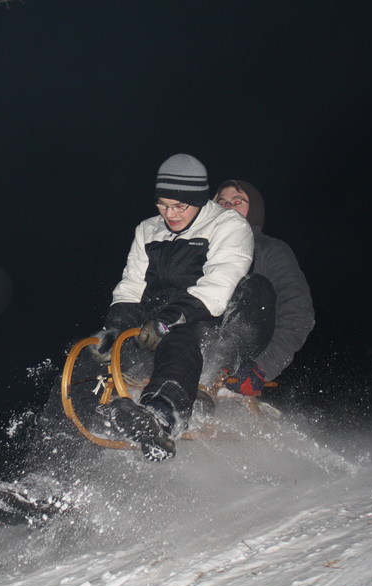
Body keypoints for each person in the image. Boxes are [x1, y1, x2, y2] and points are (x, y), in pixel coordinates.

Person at [88, 153, 259, 462]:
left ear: (201, 199)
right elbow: (132, 285)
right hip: (150, 321)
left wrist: (168, 321)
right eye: (163, 204)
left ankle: (161, 415)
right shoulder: (148, 230)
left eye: (181, 206)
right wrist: (116, 328)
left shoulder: (227, 225)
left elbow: (219, 285)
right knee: (87, 360)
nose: (171, 214)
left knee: (178, 342)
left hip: (198, 319)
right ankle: (48, 464)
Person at [213, 180, 315, 398]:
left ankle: (216, 374)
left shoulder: (271, 252)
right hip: (197, 348)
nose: (228, 207)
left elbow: (298, 315)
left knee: (254, 287)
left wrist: (263, 368)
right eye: (222, 203)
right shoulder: (201, 251)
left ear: (254, 209)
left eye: (237, 201)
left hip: (243, 361)